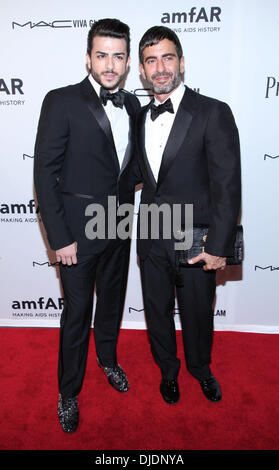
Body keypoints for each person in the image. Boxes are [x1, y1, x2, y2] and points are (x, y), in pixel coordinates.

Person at [34, 18, 140, 432]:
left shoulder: (132, 104)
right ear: (88, 57)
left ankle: (109, 359)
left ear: (128, 61)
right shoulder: (60, 101)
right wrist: (58, 238)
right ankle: (68, 392)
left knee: (112, 304)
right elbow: (45, 174)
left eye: (117, 56)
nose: (110, 64)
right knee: (77, 314)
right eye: (102, 55)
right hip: (76, 235)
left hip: (119, 226)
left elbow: (130, 168)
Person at [133, 26, 241, 405]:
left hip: (196, 238)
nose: (160, 68)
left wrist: (219, 245)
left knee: (197, 313)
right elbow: (132, 175)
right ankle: (168, 370)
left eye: (167, 57)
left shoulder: (213, 112)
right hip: (151, 235)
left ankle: (200, 368)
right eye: (151, 61)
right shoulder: (137, 117)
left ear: (181, 62)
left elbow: (227, 186)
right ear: (143, 71)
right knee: (157, 313)